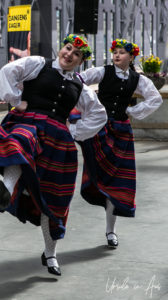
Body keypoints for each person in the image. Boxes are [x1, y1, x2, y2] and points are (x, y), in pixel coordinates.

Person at [0, 33, 107, 276]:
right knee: (20, 142)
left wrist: (75, 130)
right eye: (67, 48)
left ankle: (50, 254)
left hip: (59, 141)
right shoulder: (37, 64)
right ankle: (7, 188)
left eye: (76, 54)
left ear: (80, 61)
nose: (69, 55)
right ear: (60, 48)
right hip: (29, 122)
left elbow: (99, 114)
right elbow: (8, 72)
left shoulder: (80, 86)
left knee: (54, 199)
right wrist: (16, 99)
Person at [75, 38, 163, 249]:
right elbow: (77, 79)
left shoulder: (137, 79)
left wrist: (132, 111)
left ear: (131, 57)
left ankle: (110, 231)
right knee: (99, 176)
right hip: (99, 127)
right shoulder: (103, 71)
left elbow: (155, 98)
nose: (116, 55)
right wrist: (89, 104)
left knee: (117, 183)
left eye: (122, 52)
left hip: (122, 131)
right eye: (115, 51)